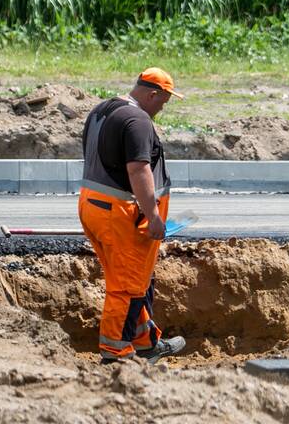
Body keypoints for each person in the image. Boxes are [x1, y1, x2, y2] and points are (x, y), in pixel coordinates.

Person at [79, 67, 187, 364]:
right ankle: (116, 354)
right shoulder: (138, 121)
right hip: (117, 212)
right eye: (162, 102)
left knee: (135, 278)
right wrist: (153, 216)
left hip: (94, 205)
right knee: (126, 286)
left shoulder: (103, 109)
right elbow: (138, 170)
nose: (162, 108)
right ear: (152, 94)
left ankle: (145, 341)